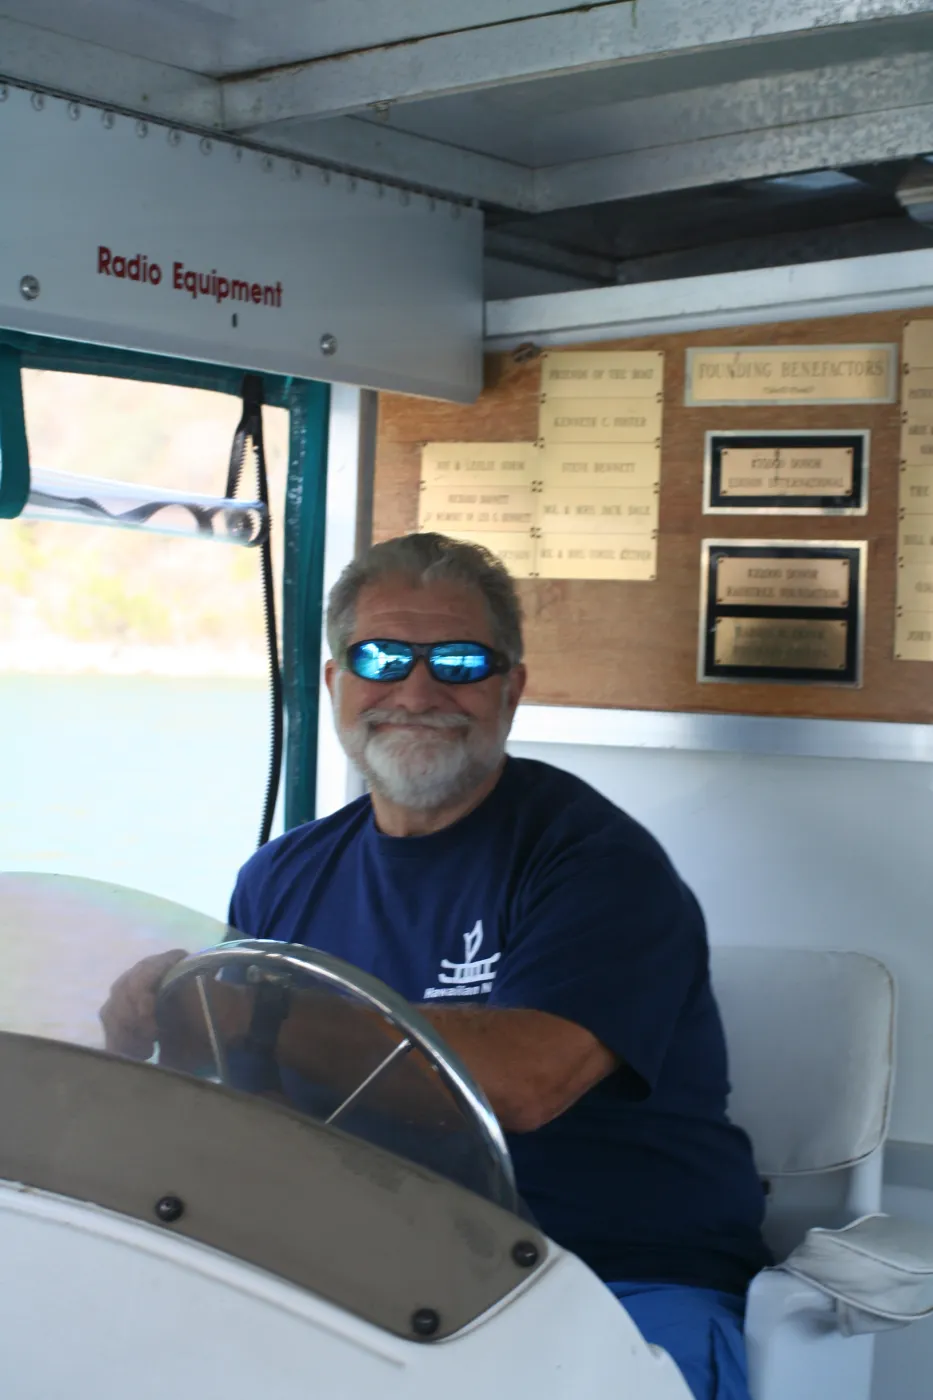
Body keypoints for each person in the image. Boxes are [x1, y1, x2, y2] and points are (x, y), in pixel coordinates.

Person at [101, 532, 769, 1399]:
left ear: (510, 690)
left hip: (613, 1280)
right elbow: (253, 1111)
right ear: (338, 683)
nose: (417, 690)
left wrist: (266, 1013)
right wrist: (150, 1039)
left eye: (459, 660)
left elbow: (526, 1081)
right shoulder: (282, 875)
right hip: (366, 1272)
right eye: (380, 657)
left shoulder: (594, 860)